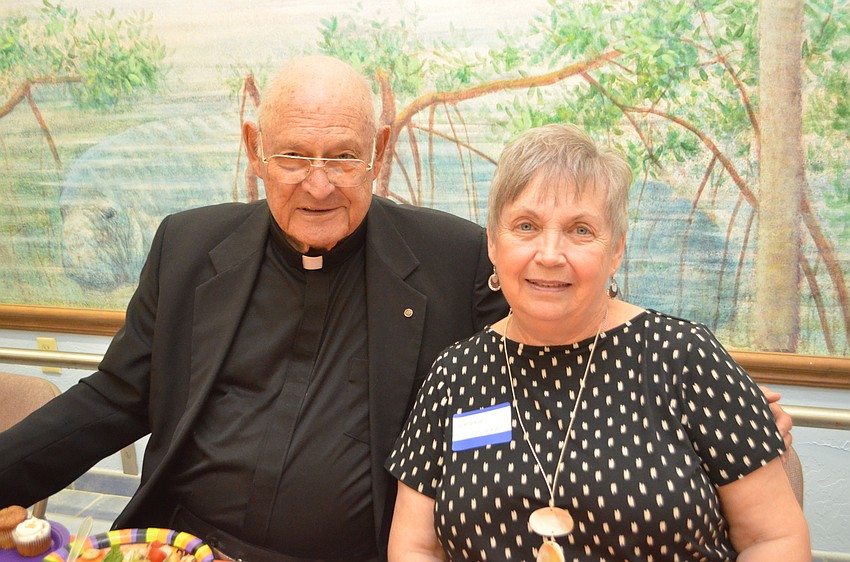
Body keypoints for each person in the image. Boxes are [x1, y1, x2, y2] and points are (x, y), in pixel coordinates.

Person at [0, 58, 791, 562]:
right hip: (185, 547)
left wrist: (713, 406)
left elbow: (559, 300)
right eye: (294, 157)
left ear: (377, 153)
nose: (319, 183)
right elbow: (112, 398)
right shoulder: (186, 246)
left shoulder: (448, 255)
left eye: (343, 156)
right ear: (253, 149)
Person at [386, 123, 810, 561]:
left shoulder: (686, 358)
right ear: (493, 243)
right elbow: (416, 547)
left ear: (617, 250)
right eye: (526, 226)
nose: (550, 254)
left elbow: (773, 540)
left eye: (581, 230)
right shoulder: (455, 374)